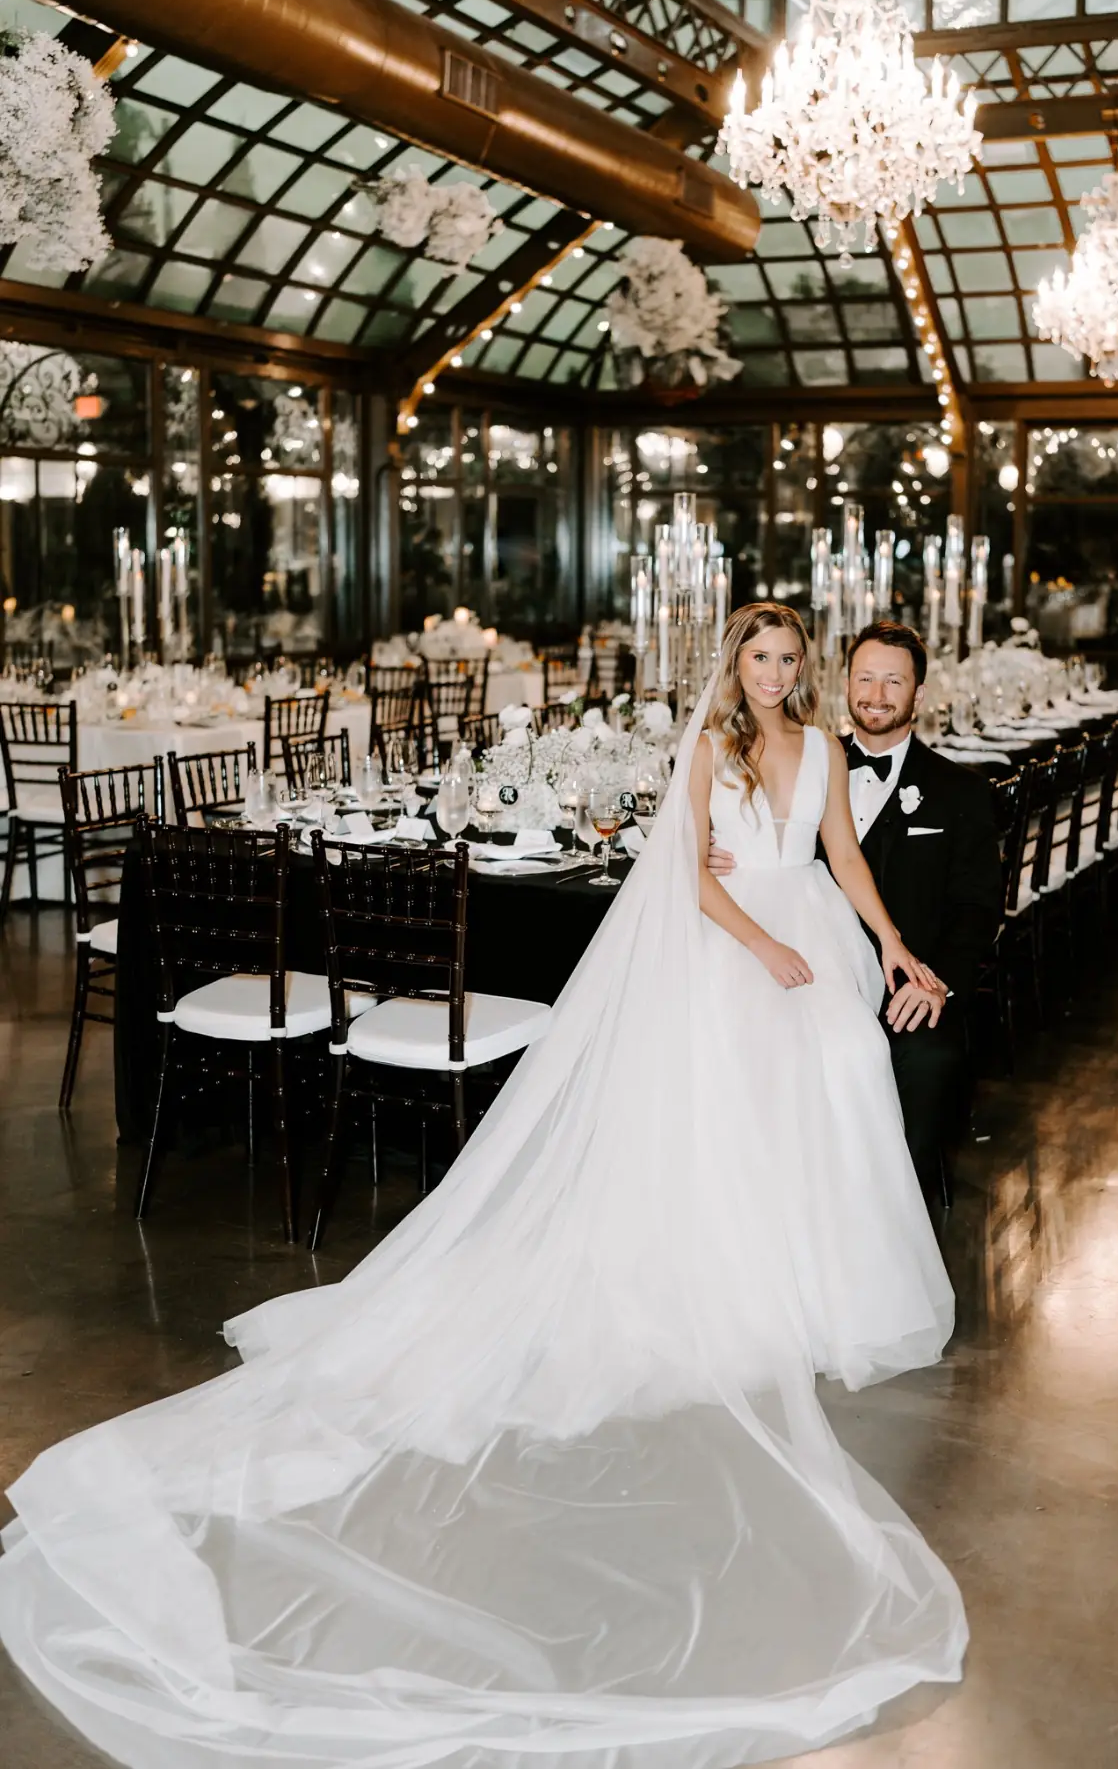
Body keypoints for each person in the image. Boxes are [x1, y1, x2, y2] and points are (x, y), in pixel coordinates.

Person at [0, 604, 967, 1769]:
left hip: (807, 926)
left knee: (843, 1060)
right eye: (756, 658)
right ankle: (727, 1262)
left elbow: (847, 859)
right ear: (734, 665)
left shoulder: (813, 751)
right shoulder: (709, 748)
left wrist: (897, 946)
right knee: (742, 1077)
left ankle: (818, 1274)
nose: (773, 674)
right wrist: (755, 944)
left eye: (785, 659)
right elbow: (681, 879)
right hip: (734, 945)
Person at [711, 619, 1002, 1207]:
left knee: (921, 1054)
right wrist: (719, 851)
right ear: (845, 684)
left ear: (919, 694)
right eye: (864, 678)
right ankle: (784, 1206)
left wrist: (935, 982)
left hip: (900, 979)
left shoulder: (961, 792)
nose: (875, 693)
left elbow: (976, 910)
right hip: (805, 961)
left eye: (893, 681)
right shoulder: (808, 752)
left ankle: (894, 1212)